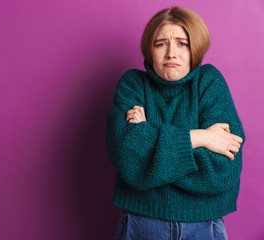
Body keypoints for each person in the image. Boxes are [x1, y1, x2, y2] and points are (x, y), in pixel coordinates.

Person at [105, 6, 245, 240]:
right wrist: (201, 137)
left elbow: (222, 170)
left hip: (203, 226)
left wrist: (149, 144)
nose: (171, 53)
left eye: (182, 43)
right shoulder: (133, 84)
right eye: (161, 43)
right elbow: (128, 159)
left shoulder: (209, 82)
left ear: (195, 48)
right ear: (150, 49)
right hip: (141, 225)